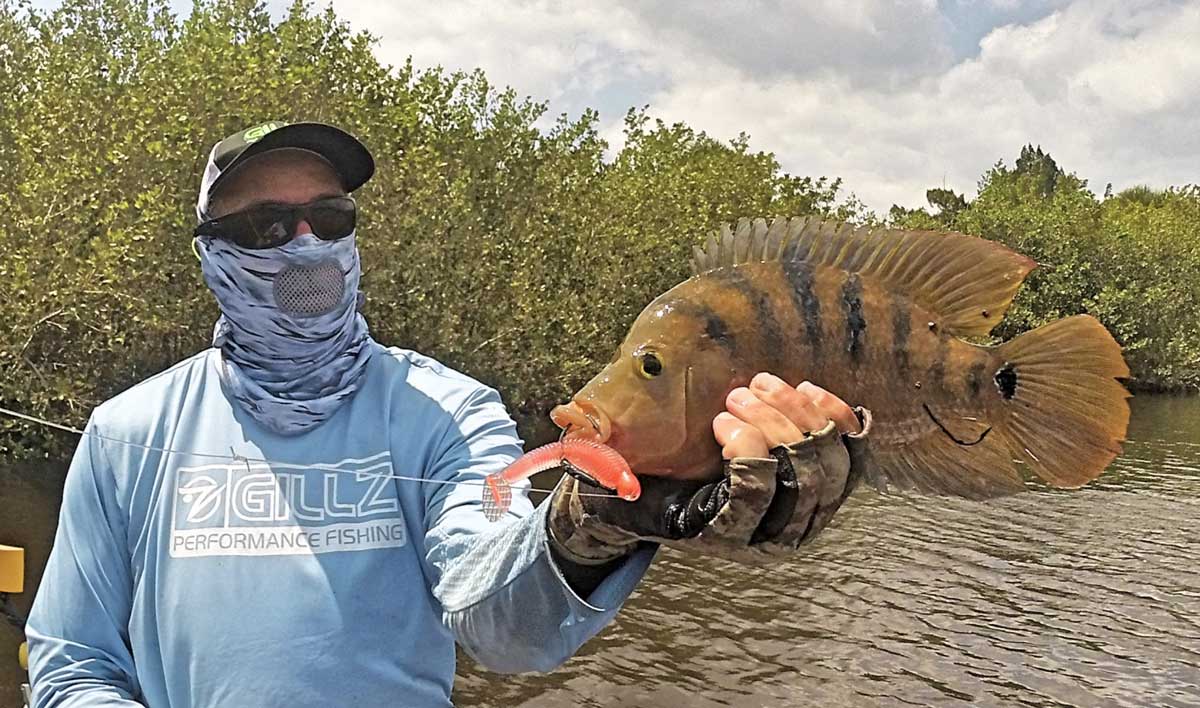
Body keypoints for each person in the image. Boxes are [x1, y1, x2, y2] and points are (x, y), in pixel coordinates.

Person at [25, 121, 869, 707]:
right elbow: (70, 664)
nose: (307, 244)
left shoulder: (445, 408)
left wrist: (595, 524)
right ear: (211, 254)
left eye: (330, 217)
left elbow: (500, 621)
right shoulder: (128, 431)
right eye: (266, 226)